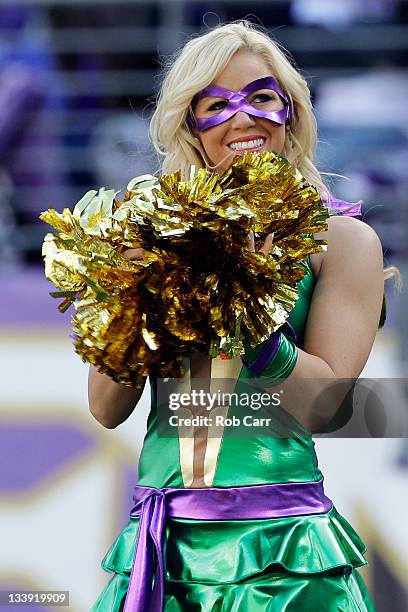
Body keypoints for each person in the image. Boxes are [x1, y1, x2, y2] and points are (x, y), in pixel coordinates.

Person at [89, 21, 386, 611]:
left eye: (261, 97)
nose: (241, 116)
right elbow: (104, 407)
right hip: (163, 547)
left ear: (292, 111)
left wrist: (242, 302)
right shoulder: (147, 234)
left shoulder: (343, 241)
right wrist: (138, 295)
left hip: (282, 553)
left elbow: (324, 406)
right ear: (192, 128)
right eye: (216, 104)